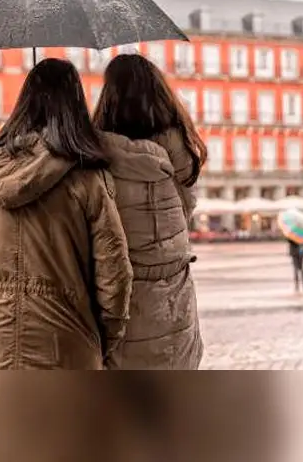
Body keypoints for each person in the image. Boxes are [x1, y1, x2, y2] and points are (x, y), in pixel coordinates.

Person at [0, 58, 133, 370]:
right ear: (75, 106)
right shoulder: (88, 179)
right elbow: (114, 271)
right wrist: (105, 336)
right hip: (66, 341)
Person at [92, 53, 207, 370]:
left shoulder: (96, 153)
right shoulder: (179, 147)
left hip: (121, 293)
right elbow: (185, 210)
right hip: (174, 289)